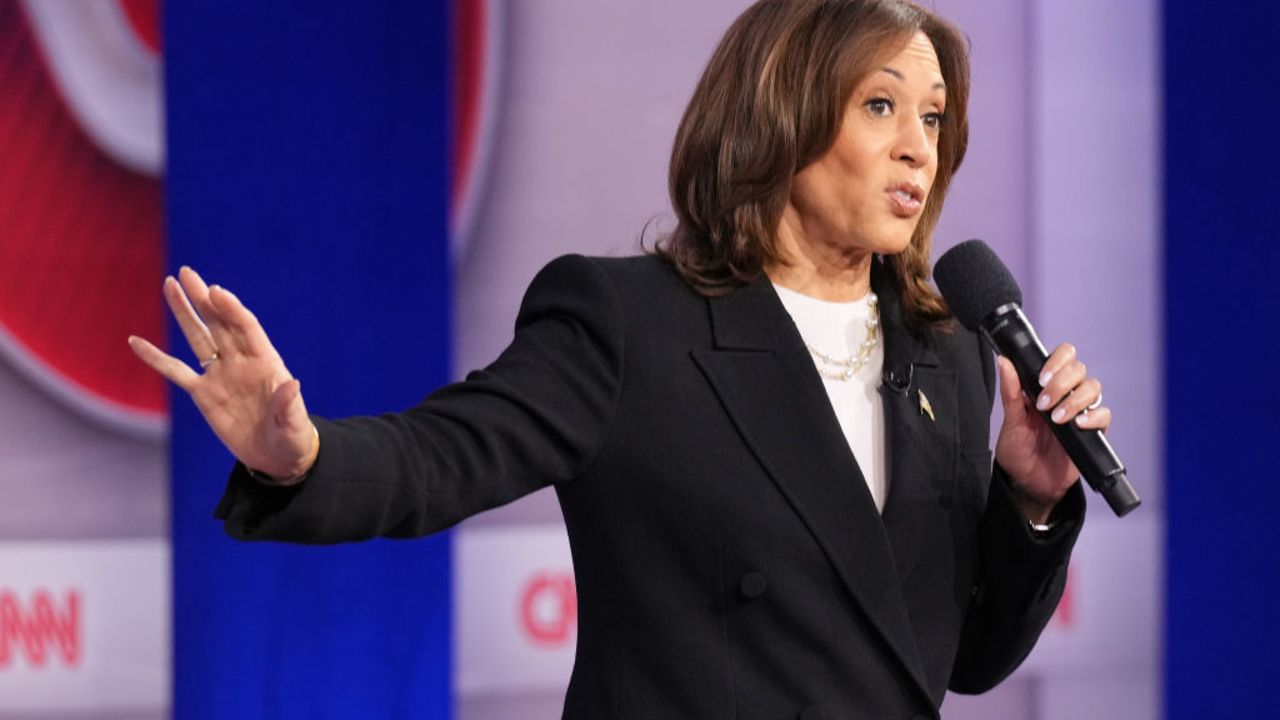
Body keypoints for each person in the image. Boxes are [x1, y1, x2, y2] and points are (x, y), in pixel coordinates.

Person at [129, 1, 1109, 717]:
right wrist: (298, 454)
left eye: (932, 118)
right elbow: (444, 454)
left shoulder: (945, 354)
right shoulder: (630, 322)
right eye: (881, 107)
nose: (916, 150)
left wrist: (1027, 502)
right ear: (783, 113)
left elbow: (959, 659)